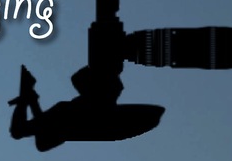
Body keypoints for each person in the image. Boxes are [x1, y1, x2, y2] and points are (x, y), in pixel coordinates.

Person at [8, 64, 164, 152]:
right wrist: (29, 100)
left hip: (91, 119)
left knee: (43, 130)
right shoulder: (66, 111)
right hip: (86, 120)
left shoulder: (66, 111)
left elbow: (32, 135)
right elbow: (31, 135)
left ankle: (28, 97)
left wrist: (29, 100)